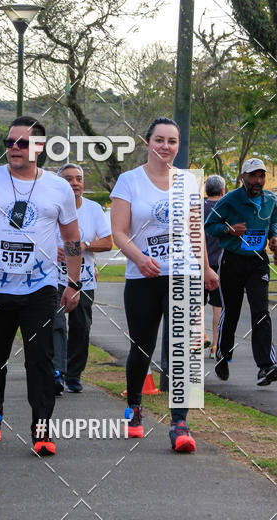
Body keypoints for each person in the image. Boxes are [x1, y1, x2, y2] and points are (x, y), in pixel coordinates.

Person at [0, 115, 82, 456]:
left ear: (39, 147)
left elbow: (72, 239)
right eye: (9, 142)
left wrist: (73, 283)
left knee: (40, 358)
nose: (13, 149)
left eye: (22, 143)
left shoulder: (59, 188)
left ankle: (42, 430)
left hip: (40, 288)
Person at [110, 117, 219, 453]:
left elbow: (194, 229)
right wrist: (140, 258)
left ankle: (180, 423)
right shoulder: (129, 181)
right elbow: (118, 232)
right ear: (147, 143)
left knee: (184, 349)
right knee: (141, 347)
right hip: (143, 278)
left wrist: (207, 267)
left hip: (183, 273)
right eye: (160, 140)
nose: (166, 147)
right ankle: (134, 410)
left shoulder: (187, 182)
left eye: (172, 141)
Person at [204, 158, 277, 386]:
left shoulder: (271, 199)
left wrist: (273, 236)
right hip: (232, 262)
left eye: (261, 176)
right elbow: (209, 226)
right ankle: (223, 355)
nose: (258, 181)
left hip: (258, 262)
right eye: (253, 176)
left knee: (261, 312)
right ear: (243, 177)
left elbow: (273, 220)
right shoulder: (230, 200)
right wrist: (229, 229)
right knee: (232, 312)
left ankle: (266, 366)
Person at [54, 164, 112, 393]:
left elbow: (108, 242)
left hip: (84, 280)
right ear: (60, 183)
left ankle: (73, 375)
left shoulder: (94, 209)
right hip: (53, 278)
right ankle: (57, 373)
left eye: (78, 179)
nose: (75, 183)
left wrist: (85, 245)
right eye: (69, 179)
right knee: (56, 325)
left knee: (81, 327)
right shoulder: (51, 207)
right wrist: (51, 249)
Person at [203, 175, 226, 358]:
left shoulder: (197, 209)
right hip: (220, 264)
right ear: (222, 191)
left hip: (200, 263)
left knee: (196, 304)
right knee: (218, 306)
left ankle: (199, 338)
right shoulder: (227, 209)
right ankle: (216, 346)